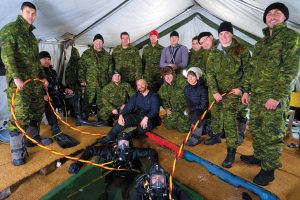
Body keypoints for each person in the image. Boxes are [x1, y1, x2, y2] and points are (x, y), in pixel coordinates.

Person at [240, 3, 299, 186]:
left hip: (274, 99)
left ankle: (269, 169)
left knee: (271, 134)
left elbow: (290, 70)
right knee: (256, 129)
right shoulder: (261, 44)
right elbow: (251, 69)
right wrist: (246, 90)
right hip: (256, 97)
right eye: (269, 13)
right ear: (265, 17)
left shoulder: (291, 37)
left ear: (285, 17)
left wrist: (277, 96)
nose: (272, 15)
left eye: (278, 12)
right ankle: (259, 156)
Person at [0, 2, 53, 166]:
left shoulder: (31, 36)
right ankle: (17, 152)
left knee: (36, 111)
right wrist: (16, 77)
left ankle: (32, 139)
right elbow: (7, 56)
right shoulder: (10, 29)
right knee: (19, 116)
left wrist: (43, 77)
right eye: (28, 12)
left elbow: (36, 62)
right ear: (21, 12)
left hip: (34, 83)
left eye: (33, 13)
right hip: (19, 83)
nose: (31, 16)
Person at [206, 22, 251, 168]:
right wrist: (214, 91)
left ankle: (231, 151)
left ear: (232, 34)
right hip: (218, 92)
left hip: (233, 92)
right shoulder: (214, 51)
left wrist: (243, 89)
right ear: (218, 36)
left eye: (227, 33)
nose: (224, 36)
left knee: (229, 120)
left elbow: (248, 72)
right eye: (221, 34)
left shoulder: (241, 49)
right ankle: (217, 136)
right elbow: (210, 73)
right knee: (216, 116)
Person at [39, 51, 106, 147]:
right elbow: (34, 87)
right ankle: (55, 129)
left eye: (49, 59)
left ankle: (79, 119)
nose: (47, 61)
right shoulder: (37, 72)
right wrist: (43, 96)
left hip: (58, 95)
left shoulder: (52, 71)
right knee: (50, 104)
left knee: (74, 96)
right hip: (47, 98)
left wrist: (65, 89)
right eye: (44, 59)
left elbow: (58, 84)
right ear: (39, 60)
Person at [68, 132, 158, 199]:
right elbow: (90, 150)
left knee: (128, 194)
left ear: (129, 145)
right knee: (109, 193)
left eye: (125, 143)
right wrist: (79, 163)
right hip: (113, 174)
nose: (123, 146)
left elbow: (151, 152)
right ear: (116, 145)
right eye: (121, 143)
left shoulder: (133, 152)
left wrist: (154, 165)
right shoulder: (109, 152)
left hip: (129, 174)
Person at [98, 79, 160, 143]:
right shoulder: (136, 96)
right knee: (124, 119)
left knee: (144, 126)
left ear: (146, 85)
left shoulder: (153, 96)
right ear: (137, 87)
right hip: (138, 116)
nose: (140, 86)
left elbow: (155, 110)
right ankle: (109, 137)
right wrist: (121, 115)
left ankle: (126, 136)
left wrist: (146, 117)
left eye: (142, 84)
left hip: (150, 117)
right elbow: (128, 107)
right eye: (138, 85)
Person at [78, 34, 111, 120]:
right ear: (93, 42)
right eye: (97, 42)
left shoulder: (107, 56)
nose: (98, 44)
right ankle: (84, 118)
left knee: (102, 102)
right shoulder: (86, 53)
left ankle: (102, 119)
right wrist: (82, 79)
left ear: (103, 43)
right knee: (87, 101)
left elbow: (110, 71)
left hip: (103, 84)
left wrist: (110, 83)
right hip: (90, 83)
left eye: (100, 42)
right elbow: (81, 67)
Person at [158, 67, 189, 133]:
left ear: (173, 74)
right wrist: (166, 109)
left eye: (169, 75)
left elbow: (191, 93)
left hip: (186, 110)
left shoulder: (180, 80)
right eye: (165, 76)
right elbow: (160, 99)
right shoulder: (164, 86)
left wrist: (188, 107)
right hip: (175, 111)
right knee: (168, 124)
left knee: (184, 128)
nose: (167, 78)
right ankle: (179, 121)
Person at [184, 67, 209, 146]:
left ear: (197, 77)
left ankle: (195, 138)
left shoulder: (203, 89)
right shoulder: (187, 88)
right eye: (188, 76)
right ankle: (204, 128)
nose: (190, 78)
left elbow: (203, 106)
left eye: (192, 76)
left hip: (204, 111)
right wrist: (189, 109)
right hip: (194, 109)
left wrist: (191, 109)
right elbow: (188, 102)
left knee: (195, 116)